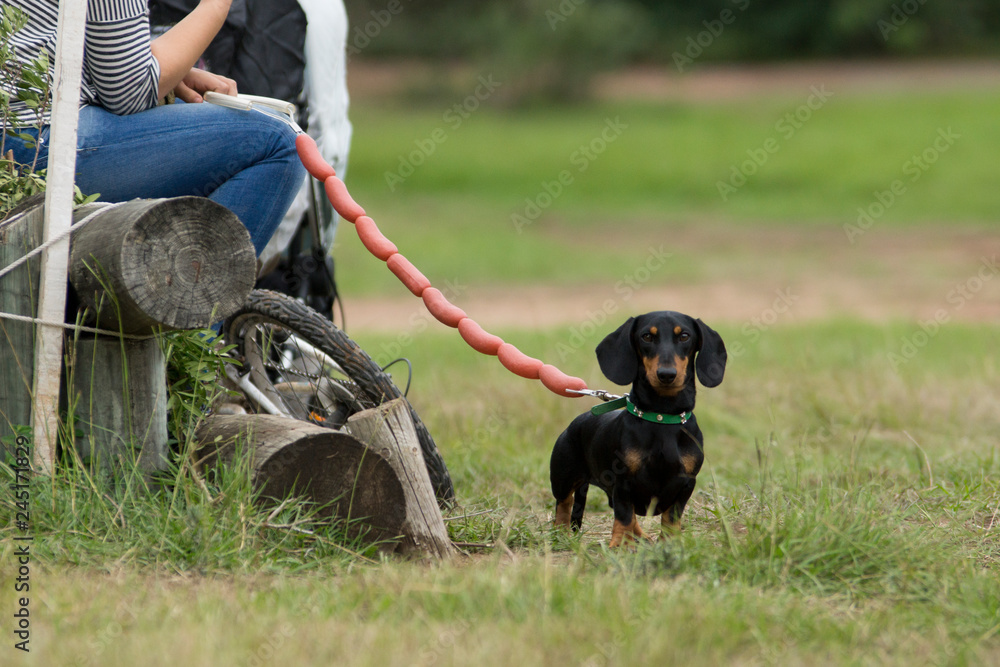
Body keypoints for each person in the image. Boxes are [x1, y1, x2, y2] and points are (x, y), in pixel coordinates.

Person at [2, 0, 306, 257]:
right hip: (33, 140)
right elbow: (129, 92)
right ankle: (185, 322)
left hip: (18, 128)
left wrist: (166, 68)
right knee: (279, 143)